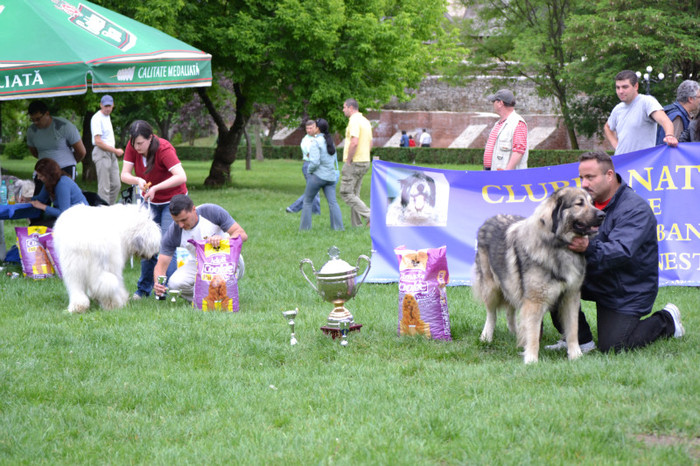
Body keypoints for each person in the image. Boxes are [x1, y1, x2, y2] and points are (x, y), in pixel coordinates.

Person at [547, 150, 684, 354]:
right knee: (550, 280)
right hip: (594, 276)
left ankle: (667, 320)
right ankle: (580, 340)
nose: (583, 183)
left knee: (614, 346)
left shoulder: (635, 209)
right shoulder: (583, 203)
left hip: (626, 288)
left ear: (609, 175)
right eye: (581, 177)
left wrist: (587, 246)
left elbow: (620, 251)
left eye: (590, 177)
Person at [121, 120, 188, 299]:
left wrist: (157, 188)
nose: (137, 147)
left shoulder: (164, 149)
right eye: (134, 143)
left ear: (150, 138)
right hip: (150, 200)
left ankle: (168, 289)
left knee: (166, 244)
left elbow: (181, 176)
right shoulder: (133, 146)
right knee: (146, 243)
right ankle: (143, 289)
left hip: (172, 200)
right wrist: (137, 180)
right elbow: (124, 174)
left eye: (141, 143)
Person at [153, 194, 247, 301]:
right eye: (176, 221)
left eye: (184, 220)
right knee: (174, 284)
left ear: (193, 209)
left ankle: (217, 295)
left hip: (228, 261)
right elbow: (161, 265)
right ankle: (206, 299)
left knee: (217, 285)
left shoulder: (211, 211)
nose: (180, 225)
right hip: (200, 264)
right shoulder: (174, 231)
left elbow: (242, 234)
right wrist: (157, 283)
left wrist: (223, 241)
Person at [604, 70, 678, 155]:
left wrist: (669, 135)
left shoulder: (647, 102)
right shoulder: (617, 109)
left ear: (636, 86)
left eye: (625, 87)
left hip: (643, 163)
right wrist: (617, 146)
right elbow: (607, 127)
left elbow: (665, 121)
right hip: (622, 163)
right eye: (618, 87)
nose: (620, 91)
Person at [26, 101, 86, 195]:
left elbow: (81, 152)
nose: (36, 123)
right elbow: (34, 151)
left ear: (47, 114)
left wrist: (67, 162)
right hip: (42, 171)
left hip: (65, 169)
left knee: (64, 201)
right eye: (32, 120)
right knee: (39, 201)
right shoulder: (31, 130)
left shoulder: (65, 126)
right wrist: (46, 164)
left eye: (38, 119)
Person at [300, 119, 344, 231]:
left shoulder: (316, 142)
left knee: (307, 201)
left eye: (314, 126)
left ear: (318, 128)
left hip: (318, 177)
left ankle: (304, 229)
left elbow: (314, 162)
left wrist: (309, 171)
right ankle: (338, 228)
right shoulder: (330, 141)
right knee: (333, 202)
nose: (312, 128)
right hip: (331, 177)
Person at [27, 158, 88, 227]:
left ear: (49, 175)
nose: (38, 178)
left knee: (36, 228)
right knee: (34, 225)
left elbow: (64, 213)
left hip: (78, 219)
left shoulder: (62, 184)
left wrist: (42, 206)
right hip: (66, 217)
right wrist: (26, 199)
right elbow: (41, 198)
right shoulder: (50, 181)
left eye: (41, 176)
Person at [340, 98, 372, 227]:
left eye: (344, 107)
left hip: (354, 162)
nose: (343, 110)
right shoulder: (365, 121)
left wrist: (348, 159)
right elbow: (370, 142)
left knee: (346, 192)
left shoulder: (353, 121)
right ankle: (357, 225)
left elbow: (354, 142)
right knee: (355, 194)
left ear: (351, 108)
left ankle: (370, 215)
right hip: (365, 161)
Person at [91, 95, 124, 205]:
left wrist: (113, 152)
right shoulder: (97, 118)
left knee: (116, 185)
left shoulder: (107, 117)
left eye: (109, 106)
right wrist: (115, 150)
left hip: (110, 154)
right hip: (101, 153)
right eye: (105, 106)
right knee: (104, 187)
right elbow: (98, 141)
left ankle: (108, 208)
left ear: (113, 105)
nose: (108, 108)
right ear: (101, 105)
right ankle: (102, 213)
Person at [483, 89, 528, 170]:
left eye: (494, 101)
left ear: (500, 103)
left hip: (506, 177)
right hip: (493, 173)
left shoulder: (518, 123)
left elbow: (518, 151)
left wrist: (507, 173)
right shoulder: (498, 123)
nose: (492, 104)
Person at [286, 120, 321, 215]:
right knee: (313, 189)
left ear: (316, 128)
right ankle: (294, 208)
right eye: (307, 128)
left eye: (311, 128)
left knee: (314, 190)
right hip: (309, 165)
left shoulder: (319, 138)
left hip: (316, 165)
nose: (309, 130)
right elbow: (311, 155)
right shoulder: (306, 140)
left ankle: (313, 212)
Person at [655, 80, 700, 145]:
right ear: (690, 99)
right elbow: (674, 147)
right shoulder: (677, 117)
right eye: (699, 97)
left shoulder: (673, 112)